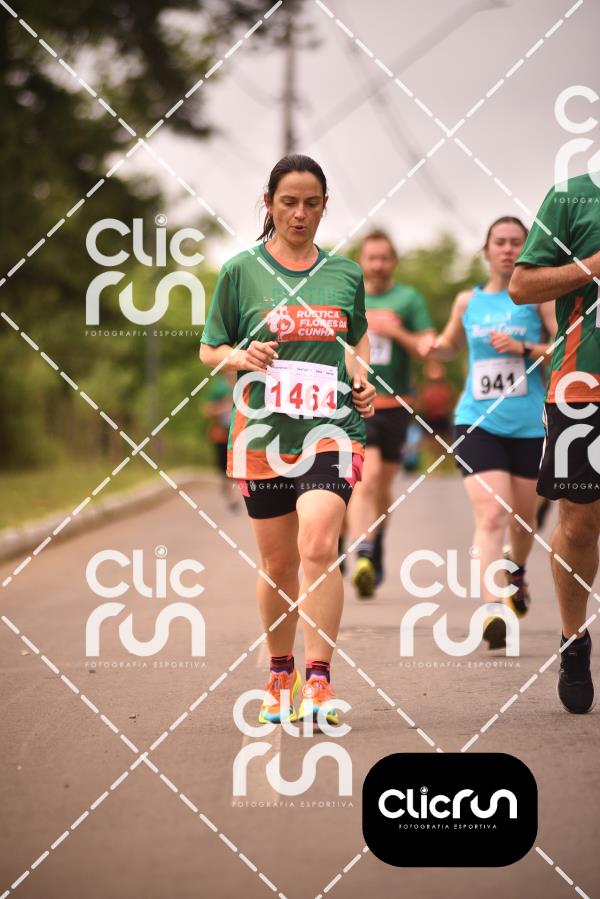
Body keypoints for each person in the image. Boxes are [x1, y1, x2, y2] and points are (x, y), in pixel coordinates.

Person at [199, 154, 376, 725]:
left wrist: (361, 377)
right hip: (262, 436)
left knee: (319, 544)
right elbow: (209, 349)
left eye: (311, 203)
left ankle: (319, 680)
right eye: (289, 202)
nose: (300, 214)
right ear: (269, 204)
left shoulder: (345, 273)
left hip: (332, 430)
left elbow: (358, 339)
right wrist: (239, 355)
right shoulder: (240, 271)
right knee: (278, 564)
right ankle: (281, 672)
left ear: (325, 206)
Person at [419, 217, 556, 648]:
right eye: (501, 242)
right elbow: (451, 344)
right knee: (492, 514)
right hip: (477, 420)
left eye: (517, 242)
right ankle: (493, 607)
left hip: (529, 425)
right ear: (487, 250)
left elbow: (563, 347)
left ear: (527, 250)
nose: (509, 249)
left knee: (524, 519)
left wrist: (525, 348)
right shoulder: (468, 301)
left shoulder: (538, 299)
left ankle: (516, 570)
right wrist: (434, 346)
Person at [509, 171, 600, 714]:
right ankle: (573, 637)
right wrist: (593, 266)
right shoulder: (574, 197)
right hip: (582, 386)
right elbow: (522, 286)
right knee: (581, 524)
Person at [346, 230, 434, 598]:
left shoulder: (408, 298)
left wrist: (396, 332)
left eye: (384, 258)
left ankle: (375, 540)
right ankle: (363, 552)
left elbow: (426, 347)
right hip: (358, 400)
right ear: (361, 261)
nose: (378, 264)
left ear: (394, 261)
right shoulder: (350, 294)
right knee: (366, 479)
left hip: (397, 404)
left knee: (382, 486)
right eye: (372, 258)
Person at [203, 371, 239, 511]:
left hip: (241, 434)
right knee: (224, 467)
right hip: (222, 434)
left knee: (239, 465)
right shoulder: (218, 388)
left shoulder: (247, 383)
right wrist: (226, 406)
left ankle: (235, 496)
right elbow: (207, 410)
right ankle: (229, 491)